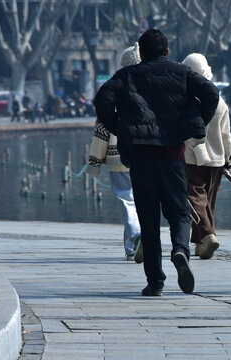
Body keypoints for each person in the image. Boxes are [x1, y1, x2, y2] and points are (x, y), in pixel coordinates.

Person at [94, 29, 219, 296]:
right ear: (167, 51)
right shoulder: (181, 72)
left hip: (141, 157)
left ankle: (155, 282)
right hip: (172, 155)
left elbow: (102, 98)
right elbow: (210, 92)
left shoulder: (128, 76)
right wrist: (194, 123)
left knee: (148, 220)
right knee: (179, 213)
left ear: (142, 53)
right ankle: (180, 250)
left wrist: (120, 127)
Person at [86, 44, 142, 262]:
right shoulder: (151, 86)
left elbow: (102, 127)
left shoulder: (113, 87)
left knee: (126, 198)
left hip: (117, 155)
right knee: (144, 198)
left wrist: (95, 161)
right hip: (146, 152)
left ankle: (136, 239)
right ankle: (134, 245)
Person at [182, 53, 231, 260]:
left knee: (195, 198)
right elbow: (226, 135)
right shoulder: (220, 102)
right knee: (208, 202)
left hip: (191, 158)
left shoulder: (187, 101)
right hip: (217, 159)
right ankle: (201, 242)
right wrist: (229, 159)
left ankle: (208, 235)